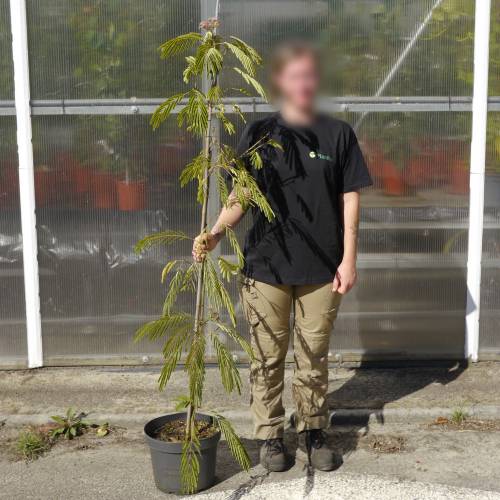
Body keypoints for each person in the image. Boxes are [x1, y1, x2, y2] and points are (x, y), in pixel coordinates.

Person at [192, 41, 372, 472]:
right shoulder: (258, 133)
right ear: (280, 82)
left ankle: (312, 429)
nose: (304, 84)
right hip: (267, 265)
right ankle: (270, 435)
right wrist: (217, 232)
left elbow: (350, 200)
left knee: (313, 355)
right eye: (295, 76)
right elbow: (242, 194)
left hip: (321, 266)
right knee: (267, 356)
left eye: (310, 76)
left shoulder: (338, 134)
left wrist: (349, 259)